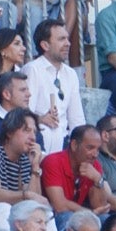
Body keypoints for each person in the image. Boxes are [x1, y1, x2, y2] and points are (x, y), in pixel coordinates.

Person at [0, 107, 47, 229]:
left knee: (43, 216)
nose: (33, 137)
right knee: (3, 209)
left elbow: (33, 203)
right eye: (27, 130)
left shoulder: (26, 160)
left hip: (6, 214)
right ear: (9, 132)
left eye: (34, 132)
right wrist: (25, 195)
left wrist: (35, 167)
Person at [24, 20, 87, 155]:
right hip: (38, 143)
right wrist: (40, 119)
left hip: (65, 144)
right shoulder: (32, 70)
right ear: (45, 45)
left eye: (67, 39)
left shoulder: (71, 74)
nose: (68, 44)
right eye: (61, 39)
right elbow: (24, 113)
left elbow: (77, 119)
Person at [40, 126, 110, 229]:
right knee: (67, 218)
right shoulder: (53, 161)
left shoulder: (94, 165)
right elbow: (59, 206)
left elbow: (100, 207)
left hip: (79, 215)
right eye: (90, 148)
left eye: (98, 149)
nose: (95, 154)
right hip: (49, 217)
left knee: (107, 220)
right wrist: (89, 213)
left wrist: (98, 179)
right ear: (74, 145)